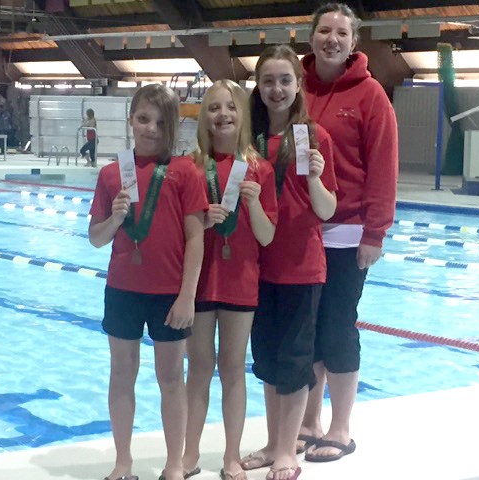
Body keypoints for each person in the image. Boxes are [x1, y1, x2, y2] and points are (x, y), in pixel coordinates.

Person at [88, 84, 208, 480]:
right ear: (130, 120)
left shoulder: (185, 172)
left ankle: (175, 464)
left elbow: (195, 237)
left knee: (171, 378)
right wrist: (116, 218)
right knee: (121, 374)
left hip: (169, 294)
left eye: (160, 122)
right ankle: (123, 462)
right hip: (122, 290)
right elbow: (96, 238)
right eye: (143, 119)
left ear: (172, 126)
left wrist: (187, 297)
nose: (151, 128)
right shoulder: (111, 174)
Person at [298, 2, 399, 463]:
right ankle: (308, 421)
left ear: (353, 42)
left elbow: (383, 166)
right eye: (324, 31)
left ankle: (340, 427)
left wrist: (374, 233)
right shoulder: (294, 86)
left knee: (337, 326)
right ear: (312, 36)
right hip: (299, 231)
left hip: (347, 231)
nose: (331, 39)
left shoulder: (370, 94)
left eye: (341, 32)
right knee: (308, 327)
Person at [242, 44, 337, 480]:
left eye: (285, 80)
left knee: (295, 361)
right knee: (265, 359)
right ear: (257, 87)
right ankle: (271, 442)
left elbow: (327, 209)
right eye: (268, 81)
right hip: (256, 267)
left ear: (298, 86)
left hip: (301, 267)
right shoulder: (250, 142)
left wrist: (315, 176)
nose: (276, 89)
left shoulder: (315, 138)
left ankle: (287, 449)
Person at [183, 80, 278, 480]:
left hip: (240, 282)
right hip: (200, 283)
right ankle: (188, 454)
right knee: (200, 369)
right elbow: (179, 231)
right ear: (204, 116)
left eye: (230, 108)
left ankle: (231, 456)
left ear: (242, 114)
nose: (222, 115)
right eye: (213, 108)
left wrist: (254, 204)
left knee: (234, 369)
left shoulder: (259, 169)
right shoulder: (189, 166)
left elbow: (267, 236)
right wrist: (203, 220)